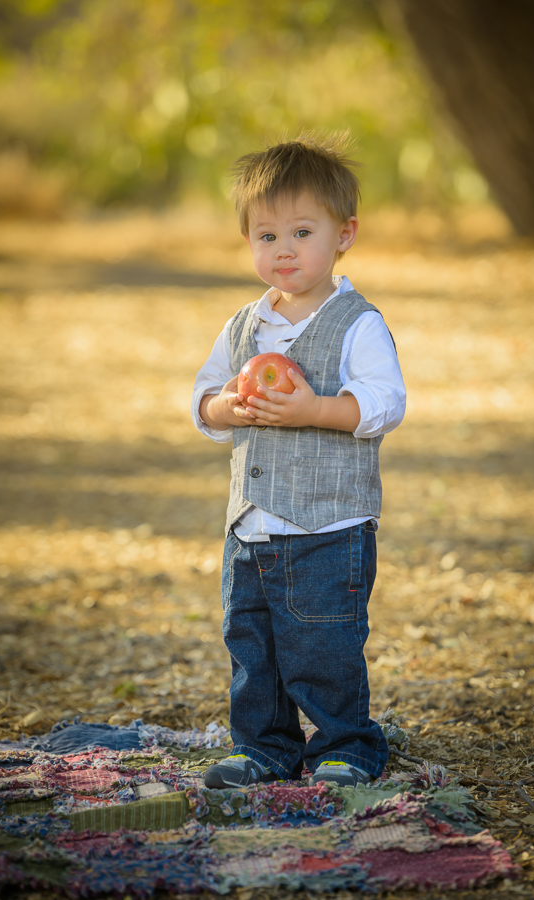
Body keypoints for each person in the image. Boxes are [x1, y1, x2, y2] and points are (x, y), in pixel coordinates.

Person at [191, 134, 406, 789]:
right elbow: (203, 399)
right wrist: (228, 407)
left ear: (344, 234)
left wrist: (315, 409)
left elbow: (383, 402)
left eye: (301, 232)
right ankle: (264, 746)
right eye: (265, 236)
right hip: (251, 528)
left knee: (323, 647)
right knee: (251, 645)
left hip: (327, 529)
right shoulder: (243, 326)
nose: (282, 250)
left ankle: (346, 744)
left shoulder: (355, 323)